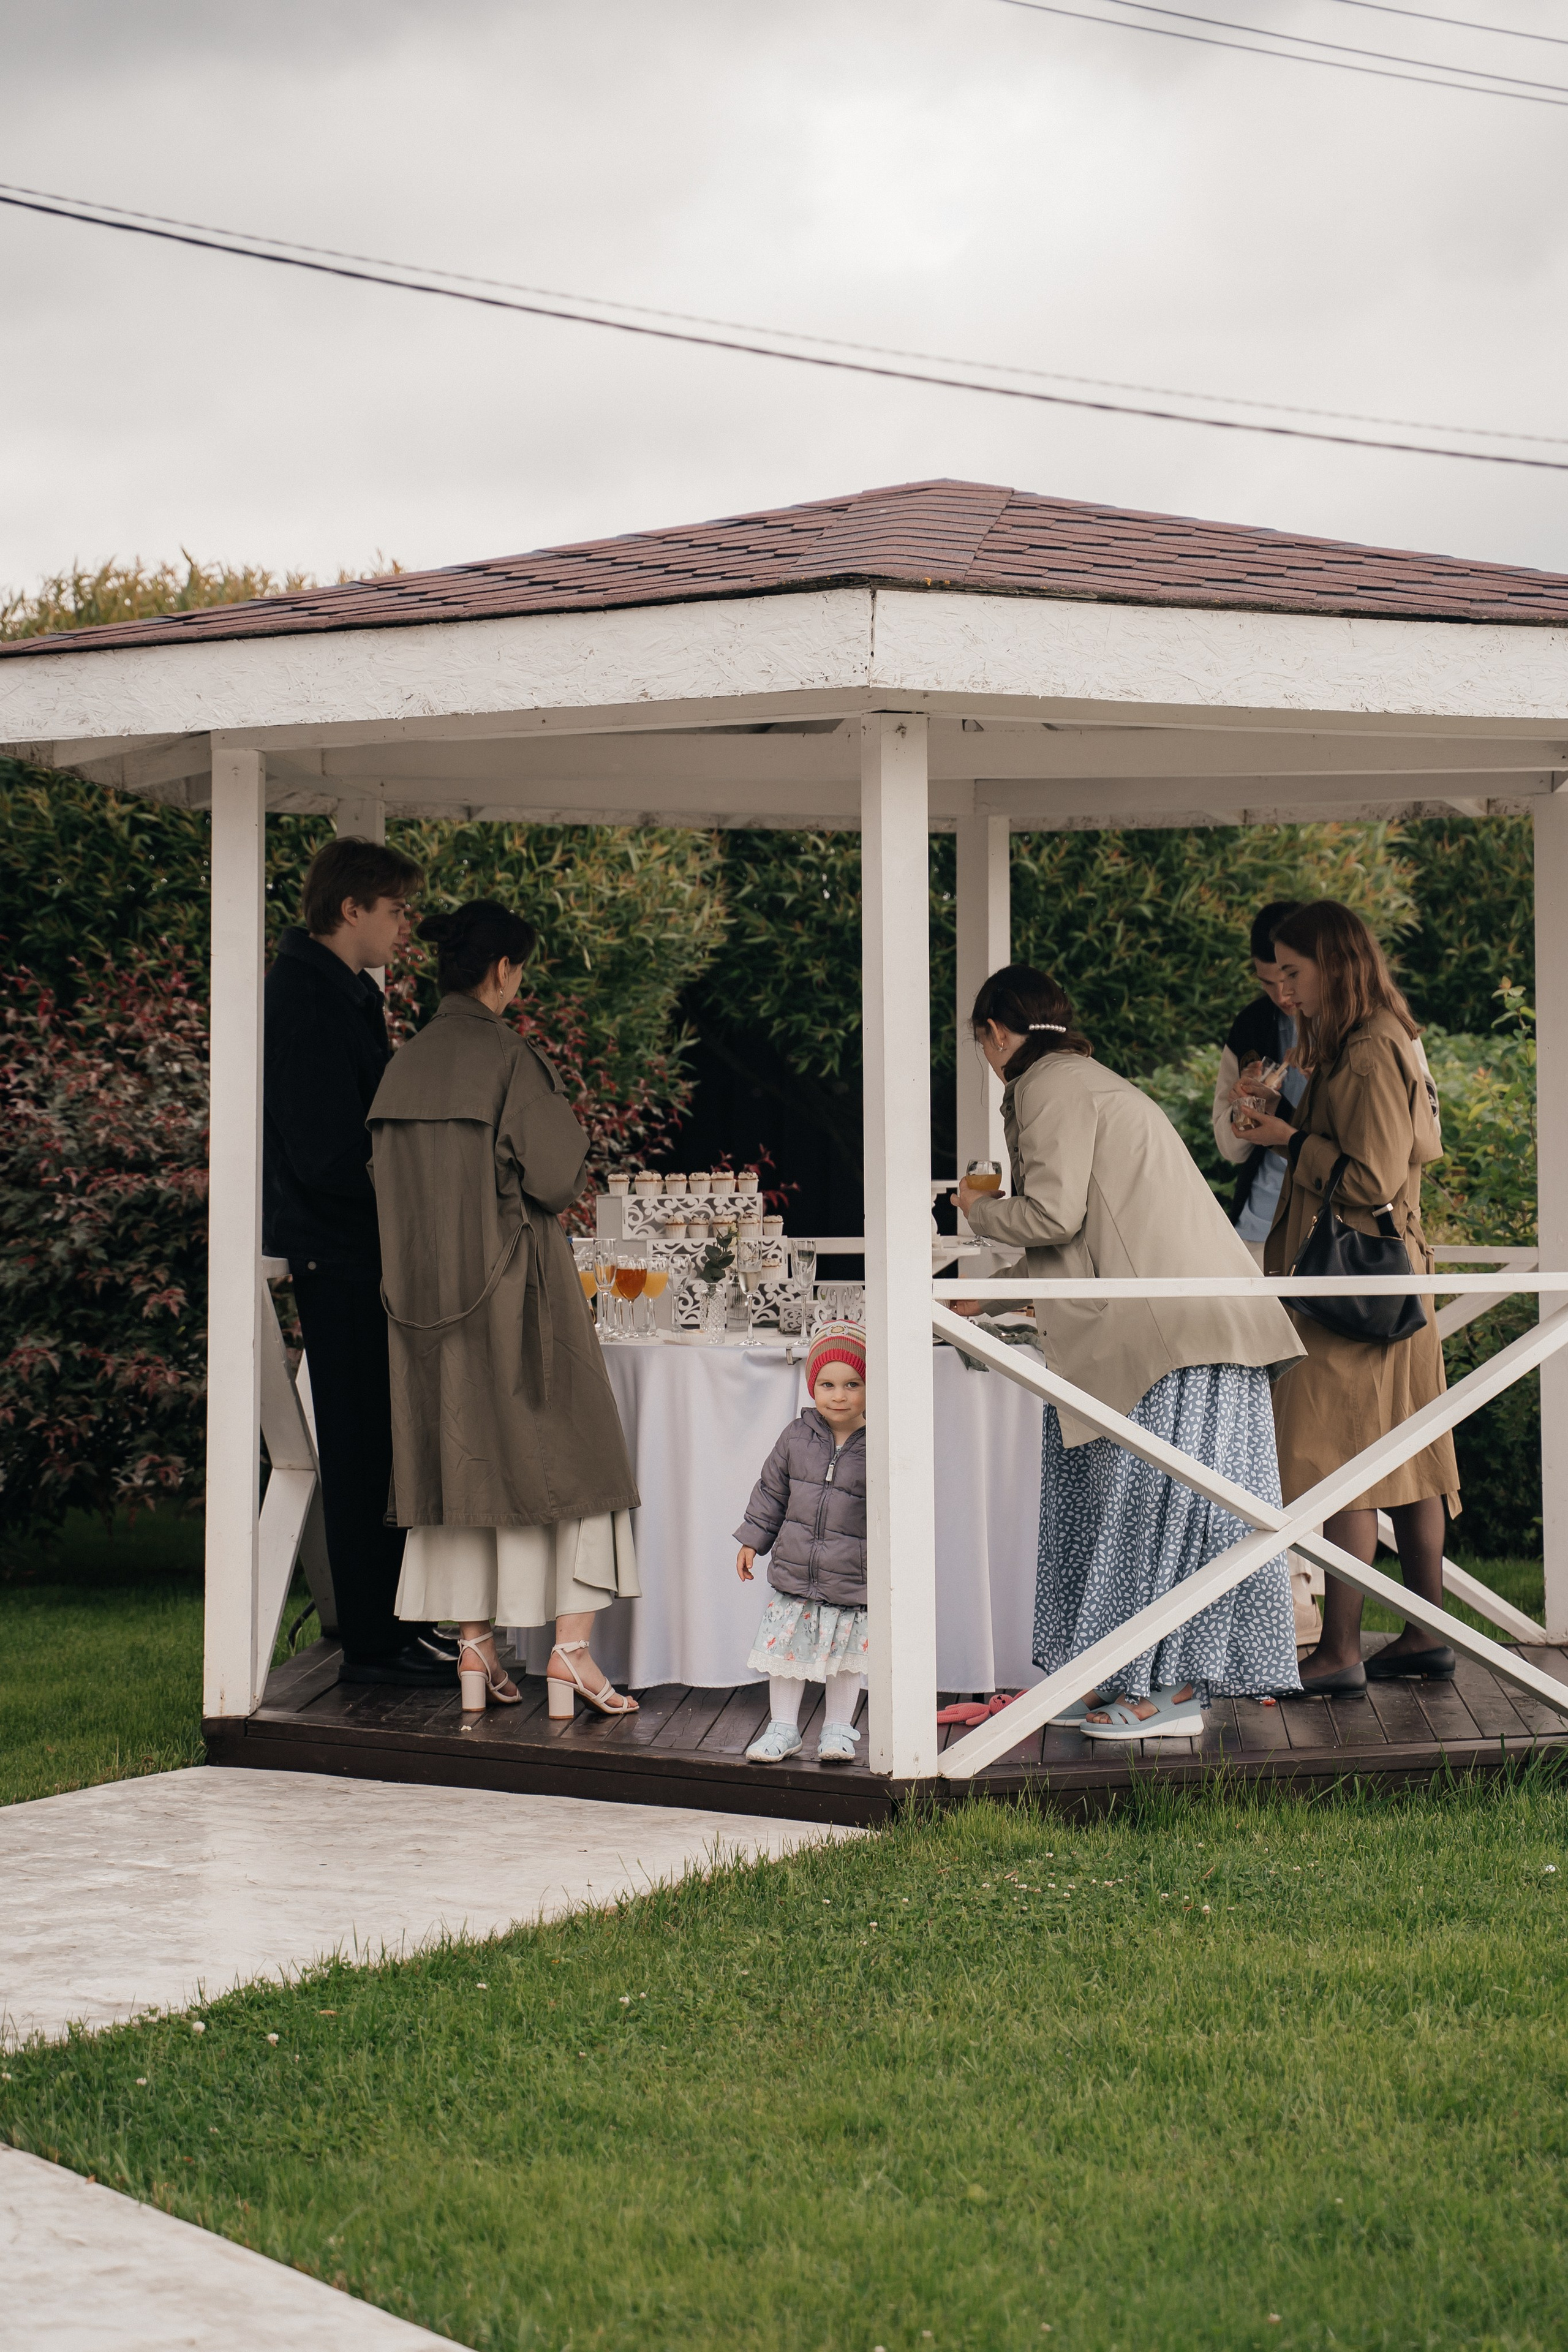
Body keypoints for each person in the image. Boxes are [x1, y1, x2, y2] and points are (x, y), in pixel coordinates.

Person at [955, 965, 1304, 1741]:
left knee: (1159, 1517)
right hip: (1186, 1329)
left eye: (981, 1039)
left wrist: (980, 1213)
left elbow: (1052, 1212)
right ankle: (1120, 1676)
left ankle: (1170, 1696)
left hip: (1174, 1339)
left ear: (997, 1034)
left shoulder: (1047, 1085)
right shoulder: (1081, 1080)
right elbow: (1093, 1226)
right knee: (1139, 1515)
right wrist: (1002, 1290)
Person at [368, 899, 641, 1719]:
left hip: (424, 1311)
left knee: (459, 1470)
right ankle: (570, 1657)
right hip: (519, 1297)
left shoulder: (399, 1069)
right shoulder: (510, 1060)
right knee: (586, 1466)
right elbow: (558, 1179)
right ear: (502, 971)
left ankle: (475, 1650)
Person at [1240, 900, 1459, 1695]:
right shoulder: (1380, 1038)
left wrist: (1287, 1140)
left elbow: (1368, 1176)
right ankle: (1424, 1634)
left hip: (1355, 1288)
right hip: (1396, 1283)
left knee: (1345, 1460)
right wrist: (1292, 1122)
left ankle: (1339, 1650)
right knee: (1409, 1457)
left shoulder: (1367, 1051)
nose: (1286, 988)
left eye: (1294, 971)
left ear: (1335, 963)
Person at [263, 833, 457, 1688]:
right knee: (357, 1446)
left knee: (379, 1441)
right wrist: (412, 1197)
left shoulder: (342, 991)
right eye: (394, 909)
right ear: (352, 909)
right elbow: (324, 1153)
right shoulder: (306, 996)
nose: (402, 926)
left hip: (357, 1251)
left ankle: (391, 1626)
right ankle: (374, 1645)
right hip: (338, 1255)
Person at [1212, 900, 1321, 1648]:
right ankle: (1269, 1588)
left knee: (1313, 1414)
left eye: (1289, 975)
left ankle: (1306, 1592)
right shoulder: (1249, 1028)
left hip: (1327, 1239)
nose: (1281, 992)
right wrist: (1246, 1112)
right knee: (1259, 1409)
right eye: (1267, 977)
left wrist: (1291, 1119)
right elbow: (1227, 1150)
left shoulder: (1352, 1030)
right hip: (1254, 1237)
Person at [735, 1321, 870, 1766]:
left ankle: (837, 1730)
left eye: (853, 1384)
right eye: (828, 1384)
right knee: (786, 1656)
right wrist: (754, 1539)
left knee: (847, 1661)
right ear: (813, 1385)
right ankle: (783, 1729)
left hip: (851, 1575)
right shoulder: (796, 1437)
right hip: (795, 1573)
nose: (839, 1395)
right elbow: (771, 1491)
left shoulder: (879, 1443)